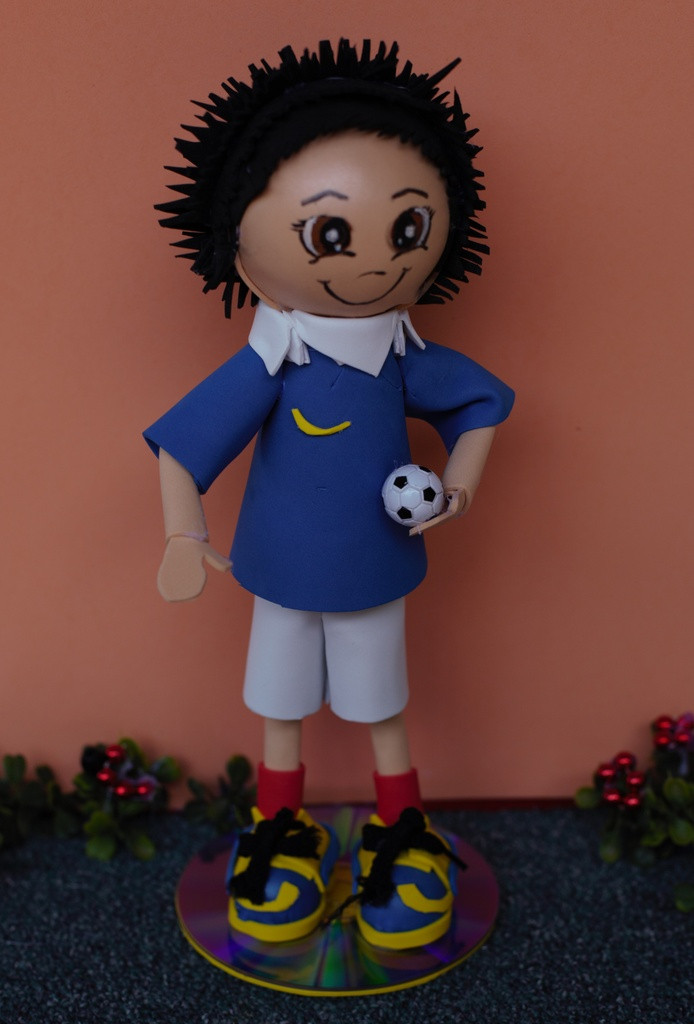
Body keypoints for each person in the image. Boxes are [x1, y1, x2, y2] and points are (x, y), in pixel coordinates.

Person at [145, 39, 514, 949]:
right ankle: (281, 830)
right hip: (277, 570)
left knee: (381, 703)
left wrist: (459, 487)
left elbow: (481, 404)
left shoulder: (403, 354)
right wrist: (184, 535)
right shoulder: (273, 360)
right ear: (241, 245)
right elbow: (184, 447)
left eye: (408, 228)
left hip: (375, 568)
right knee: (280, 706)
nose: (377, 263)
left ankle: (402, 828)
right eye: (331, 234)